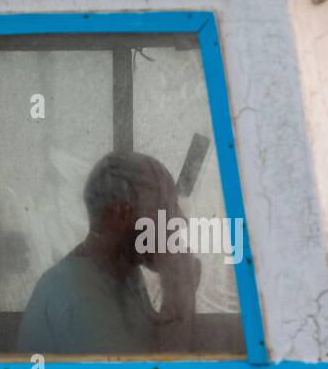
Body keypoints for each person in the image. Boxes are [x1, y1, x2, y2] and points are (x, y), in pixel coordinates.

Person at [17, 152, 200, 356]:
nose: (180, 221)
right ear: (120, 214)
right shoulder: (77, 297)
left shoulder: (123, 276)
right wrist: (180, 291)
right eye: (164, 208)